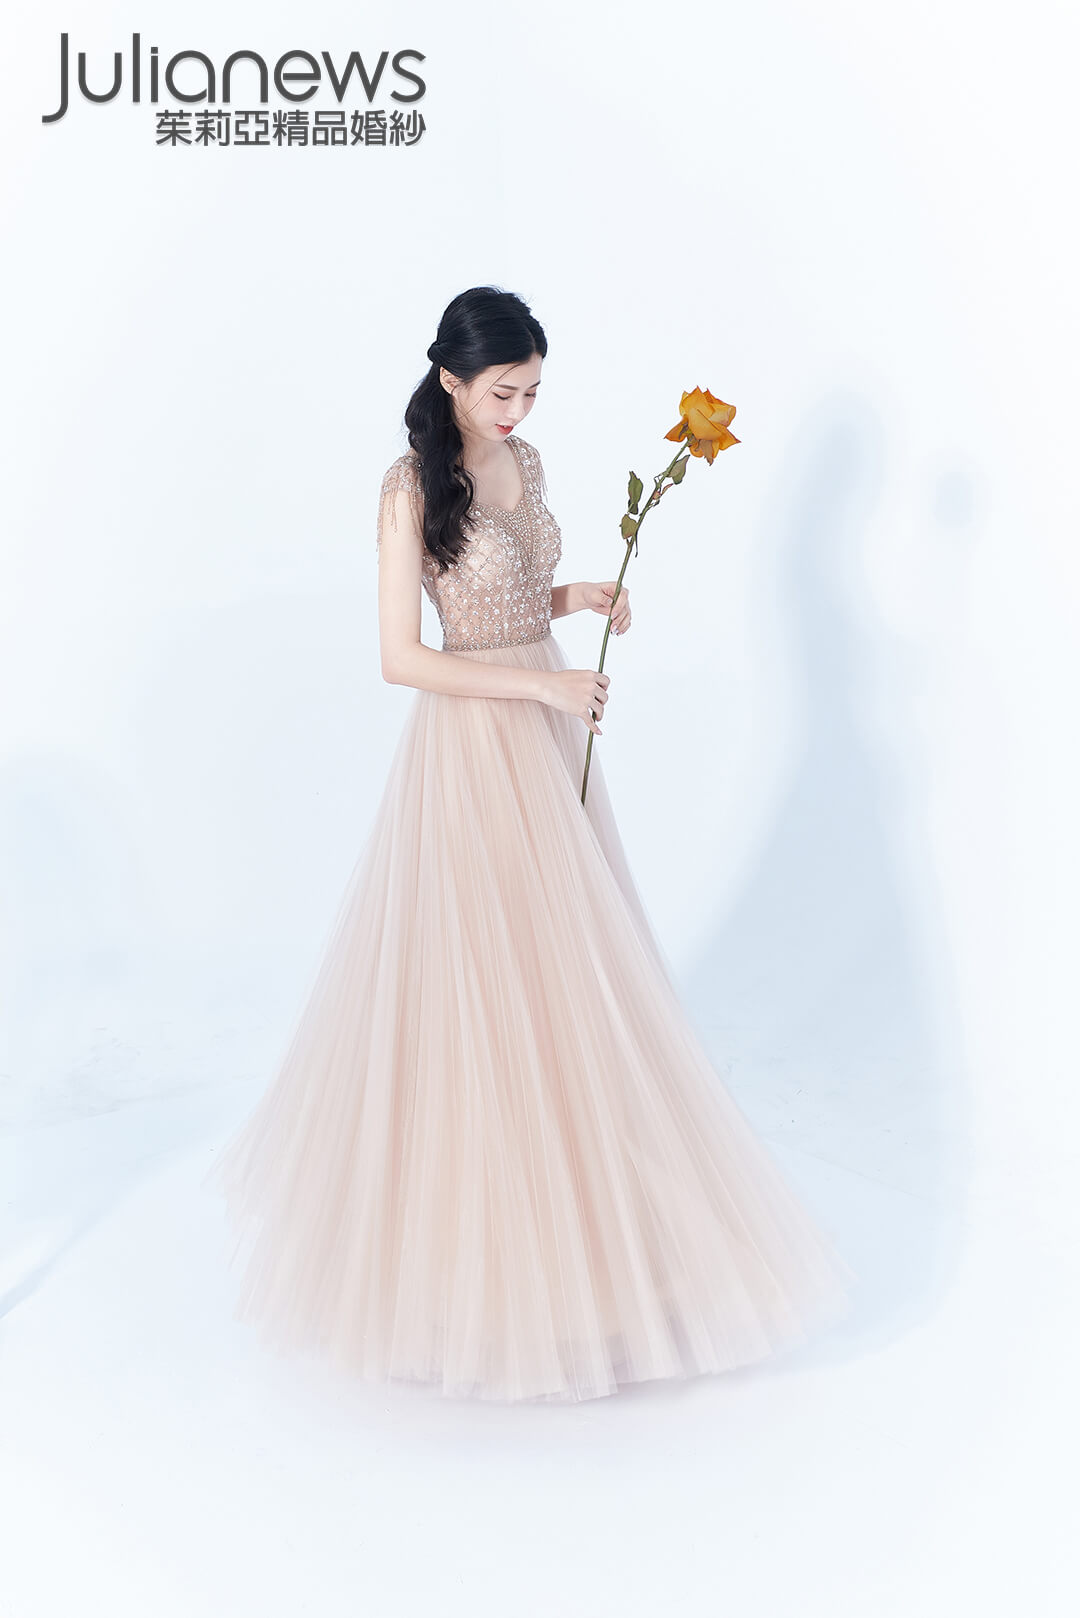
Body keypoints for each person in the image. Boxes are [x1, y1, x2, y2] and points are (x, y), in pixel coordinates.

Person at [205, 285, 856, 1403]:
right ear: (451, 377)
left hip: (547, 742)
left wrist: (574, 593)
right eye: (503, 391)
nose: (518, 410)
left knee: (568, 982)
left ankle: (594, 1263)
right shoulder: (410, 485)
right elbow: (403, 657)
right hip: (473, 751)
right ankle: (469, 1274)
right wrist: (543, 684)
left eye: (534, 392)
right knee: (483, 991)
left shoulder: (529, 461)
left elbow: (506, 604)